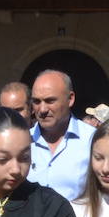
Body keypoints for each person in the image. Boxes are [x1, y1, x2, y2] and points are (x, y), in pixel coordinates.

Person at [28, 70, 91, 201]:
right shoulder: (23, 141)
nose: (42, 109)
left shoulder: (92, 140)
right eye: (36, 102)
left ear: (70, 99)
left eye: (50, 101)